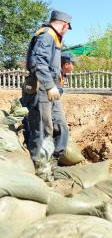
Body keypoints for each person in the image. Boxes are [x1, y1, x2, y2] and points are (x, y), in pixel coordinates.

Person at [21, 10, 72, 181]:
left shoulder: (54, 37)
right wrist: (50, 86)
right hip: (43, 88)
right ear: (64, 25)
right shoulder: (46, 35)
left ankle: (52, 162)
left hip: (52, 90)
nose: (66, 31)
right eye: (67, 28)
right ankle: (40, 171)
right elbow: (38, 62)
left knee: (61, 126)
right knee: (42, 129)